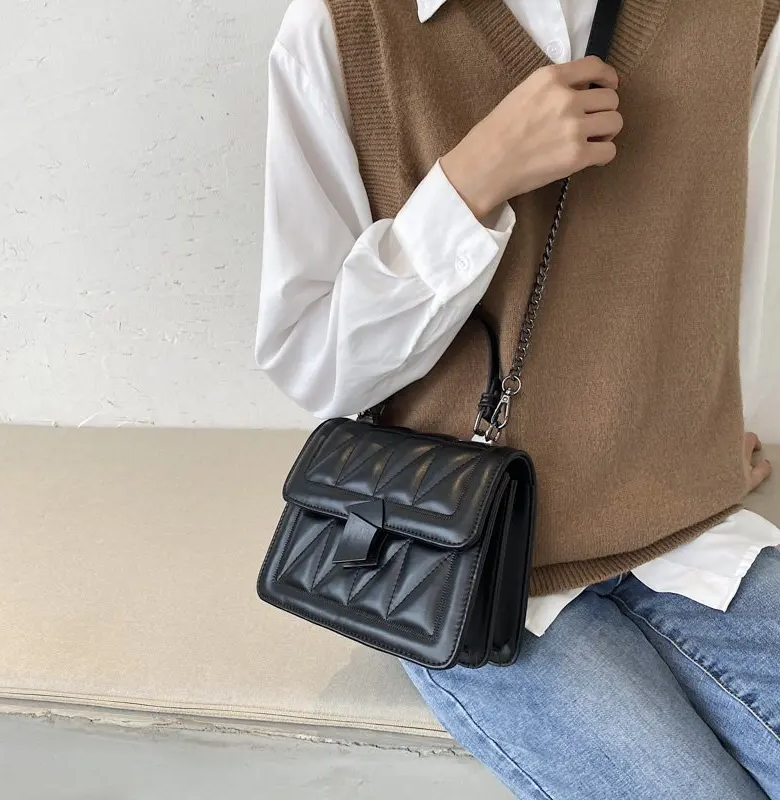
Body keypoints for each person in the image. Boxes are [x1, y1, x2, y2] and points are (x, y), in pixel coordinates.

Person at [256, 1, 780, 797]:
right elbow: (311, 359)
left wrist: (731, 421)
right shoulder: (347, 26)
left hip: (687, 524)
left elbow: (749, 235)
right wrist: (471, 182)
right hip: (459, 555)